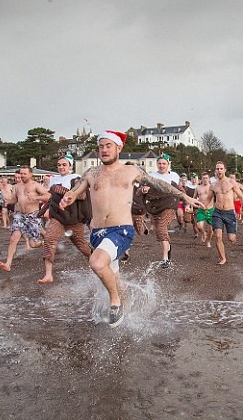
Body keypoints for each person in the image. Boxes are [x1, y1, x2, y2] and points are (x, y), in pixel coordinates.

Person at [60, 130, 200, 327]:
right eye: (101, 146)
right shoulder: (92, 173)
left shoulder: (130, 171)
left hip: (121, 230)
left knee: (97, 263)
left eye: (108, 146)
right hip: (97, 233)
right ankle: (126, 308)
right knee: (114, 276)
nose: (104, 150)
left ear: (119, 147)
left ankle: (115, 304)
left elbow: (159, 184)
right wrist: (69, 197)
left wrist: (184, 196)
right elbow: (76, 191)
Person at [38, 155, 92, 284]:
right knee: (49, 240)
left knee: (82, 246)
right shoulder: (53, 179)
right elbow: (52, 198)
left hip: (74, 218)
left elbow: (82, 196)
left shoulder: (76, 178)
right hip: (58, 217)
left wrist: (61, 190)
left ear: (70, 166)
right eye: (59, 165)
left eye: (64, 165)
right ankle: (48, 274)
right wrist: (44, 209)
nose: (61, 167)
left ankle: (96, 263)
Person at [0, 167, 50, 272]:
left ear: (30, 174)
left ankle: (44, 242)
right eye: (21, 174)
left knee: (33, 244)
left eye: (24, 174)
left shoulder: (35, 185)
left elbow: (48, 196)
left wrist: (37, 198)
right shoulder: (17, 186)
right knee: (13, 238)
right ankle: (8, 264)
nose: (22, 175)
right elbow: (16, 198)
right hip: (20, 215)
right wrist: (8, 202)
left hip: (33, 215)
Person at [199, 161, 243, 266]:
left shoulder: (231, 182)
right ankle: (223, 258)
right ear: (215, 171)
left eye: (221, 169)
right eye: (217, 169)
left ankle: (233, 233)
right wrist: (201, 207)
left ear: (225, 170)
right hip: (217, 212)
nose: (219, 171)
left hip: (229, 212)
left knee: (231, 239)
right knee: (218, 235)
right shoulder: (213, 185)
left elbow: (241, 196)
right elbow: (208, 199)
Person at [146, 154, 183, 267]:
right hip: (155, 206)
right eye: (159, 163)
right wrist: (144, 189)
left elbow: (180, 191)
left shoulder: (174, 176)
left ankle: (165, 259)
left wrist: (185, 203)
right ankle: (168, 248)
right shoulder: (152, 175)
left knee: (162, 228)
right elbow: (143, 188)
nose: (161, 166)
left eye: (164, 164)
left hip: (169, 205)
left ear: (168, 164)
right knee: (159, 231)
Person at [194, 173, 214, 248]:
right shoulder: (198, 187)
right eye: (203, 178)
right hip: (201, 209)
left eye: (206, 178)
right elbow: (194, 197)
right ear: (201, 179)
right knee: (199, 226)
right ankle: (203, 233)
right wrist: (190, 206)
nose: (205, 179)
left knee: (211, 229)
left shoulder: (212, 187)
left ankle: (208, 241)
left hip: (210, 209)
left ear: (209, 179)